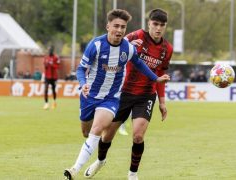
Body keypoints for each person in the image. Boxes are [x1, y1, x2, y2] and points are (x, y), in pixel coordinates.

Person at [63, 9, 170, 180]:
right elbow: (82, 68)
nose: (119, 30)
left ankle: (130, 174)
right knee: (99, 134)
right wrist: (83, 85)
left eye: (162, 25)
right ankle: (100, 160)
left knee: (136, 135)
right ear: (149, 23)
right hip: (115, 94)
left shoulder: (166, 48)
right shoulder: (108, 42)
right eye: (155, 24)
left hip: (130, 96)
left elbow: (142, 64)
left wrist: (158, 86)